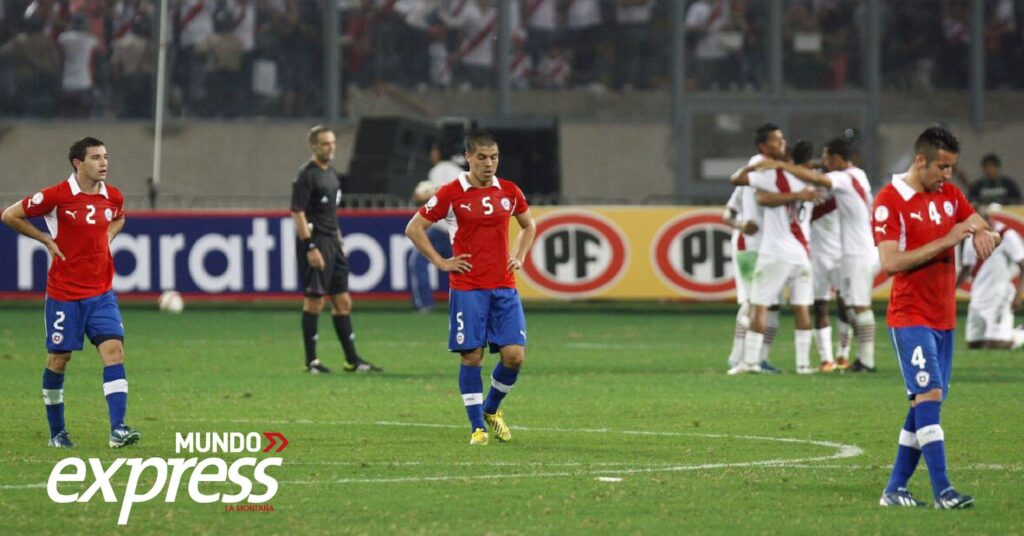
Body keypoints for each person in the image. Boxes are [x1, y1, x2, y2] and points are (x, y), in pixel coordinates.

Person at [872, 126, 997, 509]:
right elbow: (891, 262)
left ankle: (895, 490)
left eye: (951, 168)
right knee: (927, 395)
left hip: (944, 317)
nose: (948, 175)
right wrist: (953, 237)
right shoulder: (889, 201)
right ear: (921, 160)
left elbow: (973, 219)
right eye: (942, 167)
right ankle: (944, 491)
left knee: (926, 401)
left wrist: (981, 231)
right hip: (910, 315)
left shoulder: (948, 194)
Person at [0, 137, 140, 449]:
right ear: (78, 163)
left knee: (114, 351)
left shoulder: (112, 195)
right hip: (64, 294)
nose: (103, 163)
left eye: (105, 156)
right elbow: (10, 215)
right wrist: (45, 240)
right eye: (95, 158)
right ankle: (57, 433)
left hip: (102, 293)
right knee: (59, 359)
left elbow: (119, 216)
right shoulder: (57, 195)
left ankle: (118, 429)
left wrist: (109, 234)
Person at [405, 130, 537, 446]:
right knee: (472, 356)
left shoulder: (509, 191)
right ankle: (476, 427)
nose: (489, 164)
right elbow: (414, 228)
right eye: (482, 157)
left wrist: (518, 256)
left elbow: (528, 224)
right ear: (468, 157)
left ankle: (492, 409)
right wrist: (441, 262)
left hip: (503, 287)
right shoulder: (452, 192)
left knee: (515, 357)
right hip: (468, 288)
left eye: (494, 157)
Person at [760, 137, 881, 372]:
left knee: (860, 306)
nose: (823, 162)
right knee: (852, 306)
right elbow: (819, 172)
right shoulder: (858, 175)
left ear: (837, 158)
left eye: (826, 157)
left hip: (858, 252)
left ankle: (867, 361)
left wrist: (782, 166)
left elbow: (816, 177)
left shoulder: (844, 178)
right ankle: (859, 359)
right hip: (855, 251)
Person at [729, 125, 820, 374]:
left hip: (776, 250)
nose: (781, 147)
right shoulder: (808, 182)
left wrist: (759, 169)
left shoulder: (775, 176)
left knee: (759, 306)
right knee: (801, 307)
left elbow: (752, 191)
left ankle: (748, 362)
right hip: (802, 252)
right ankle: (803, 364)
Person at [291, 125, 382, 374]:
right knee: (315, 302)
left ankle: (352, 360)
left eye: (332, 143)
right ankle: (311, 362)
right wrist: (310, 247)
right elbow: (297, 213)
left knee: (343, 302)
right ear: (313, 146)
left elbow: (330, 214)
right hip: (316, 242)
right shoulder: (305, 176)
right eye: (325, 144)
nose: (330, 148)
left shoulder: (331, 174)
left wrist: (339, 240)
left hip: (334, 243)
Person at [956, 204, 1024, 349]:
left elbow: (1022, 265)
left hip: (1000, 296)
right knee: (974, 345)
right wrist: (950, 290)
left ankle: (1021, 334)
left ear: (988, 219)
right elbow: (967, 268)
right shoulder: (971, 238)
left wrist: (1019, 294)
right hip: (978, 296)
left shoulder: (1007, 235)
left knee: (996, 344)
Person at [409, 140, 460, 313]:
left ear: (437, 153)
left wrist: (422, 194)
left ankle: (424, 304)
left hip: (441, 228)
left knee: (417, 262)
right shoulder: (459, 171)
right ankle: (470, 305)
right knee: (464, 268)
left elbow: (438, 194)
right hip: (459, 229)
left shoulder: (438, 170)